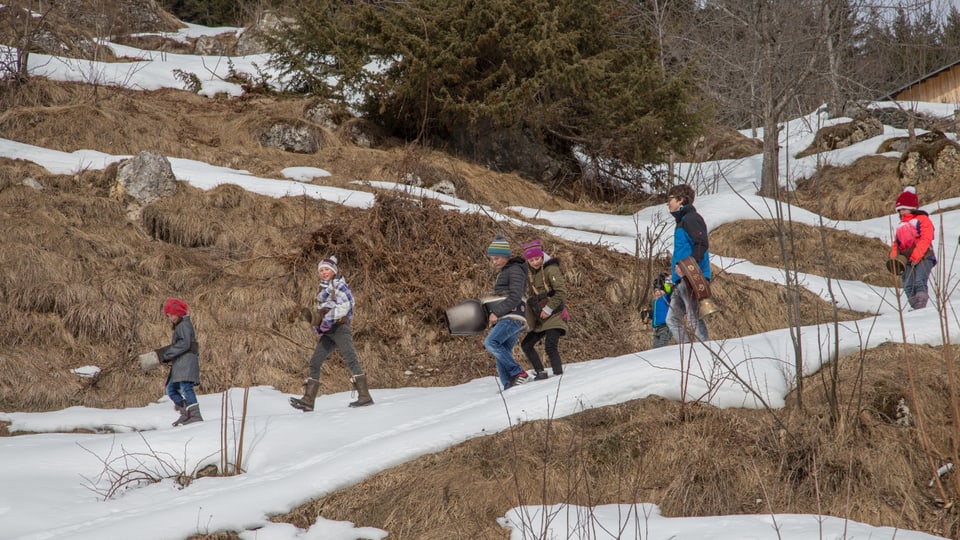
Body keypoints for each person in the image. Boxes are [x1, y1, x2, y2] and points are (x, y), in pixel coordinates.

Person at [290, 255, 374, 411]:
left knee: (351, 359)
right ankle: (308, 401)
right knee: (314, 362)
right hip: (329, 332)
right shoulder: (323, 291)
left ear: (333, 271)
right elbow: (322, 313)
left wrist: (327, 318)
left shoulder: (340, 286)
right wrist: (317, 322)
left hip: (341, 329)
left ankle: (365, 397)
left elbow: (346, 305)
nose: (323, 272)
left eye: (326, 269)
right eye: (321, 270)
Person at [484, 234, 531, 390]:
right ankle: (509, 386)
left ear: (505, 256)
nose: (494, 261)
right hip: (510, 315)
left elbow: (516, 296)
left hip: (512, 315)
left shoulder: (515, 270)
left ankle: (519, 373)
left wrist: (497, 312)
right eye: (492, 259)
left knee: (491, 342)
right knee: (503, 350)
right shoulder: (507, 270)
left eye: (497, 258)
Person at [666, 184, 711, 344]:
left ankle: (705, 351)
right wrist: (676, 272)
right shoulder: (682, 221)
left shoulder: (692, 218)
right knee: (672, 319)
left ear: (681, 200)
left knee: (693, 316)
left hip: (692, 277)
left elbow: (701, 244)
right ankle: (685, 353)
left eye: (670, 199)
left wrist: (688, 267)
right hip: (682, 279)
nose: (668, 203)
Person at [520, 238, 568, 380]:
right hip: (540, 317)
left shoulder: (550, 269)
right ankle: (540, 372)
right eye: (531, 260)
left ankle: (559, 377)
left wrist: (547, 309)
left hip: (554, 314)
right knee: (526, 344)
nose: (535, 262)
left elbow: (561, 292)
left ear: (542, 256)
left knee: (550, 346)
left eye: (537, 258)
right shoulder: (530, 273)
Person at [890, 186, 936, 309]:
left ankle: (921, 308)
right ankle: (916, 309)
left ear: (912, 208)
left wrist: (916, 256)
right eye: (899, 210)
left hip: (924, 257)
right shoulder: (901, 225)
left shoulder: (922, 219)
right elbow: (896, 244)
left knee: (919, 282)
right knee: (908, 285)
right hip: (907, 260)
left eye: (904, 209)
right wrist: (894, 259)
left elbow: (926, 238)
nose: (901, 212)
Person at [161, 298, 202, 426]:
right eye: (169, 315)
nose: (171, 318)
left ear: (178, 313)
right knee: (170, 389)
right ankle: (186, 413)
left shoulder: (184, 325)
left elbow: (185, 343)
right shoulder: (180, 325)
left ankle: (195, 415)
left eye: (172, 315)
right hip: (180, 363)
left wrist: (167, 354)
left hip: (186, 362)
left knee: (186, 387)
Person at [641, 272, 672, 348]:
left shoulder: (667, 298)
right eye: (655, 290)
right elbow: (655, 314)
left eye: (660, 290)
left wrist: (667, 281)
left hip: (666, 327)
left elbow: (669, 290)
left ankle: (664, 359)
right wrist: (648, 314)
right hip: (657, 329)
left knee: (662, 348)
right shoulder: (655, 302)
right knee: (655, 349)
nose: (658, 292)